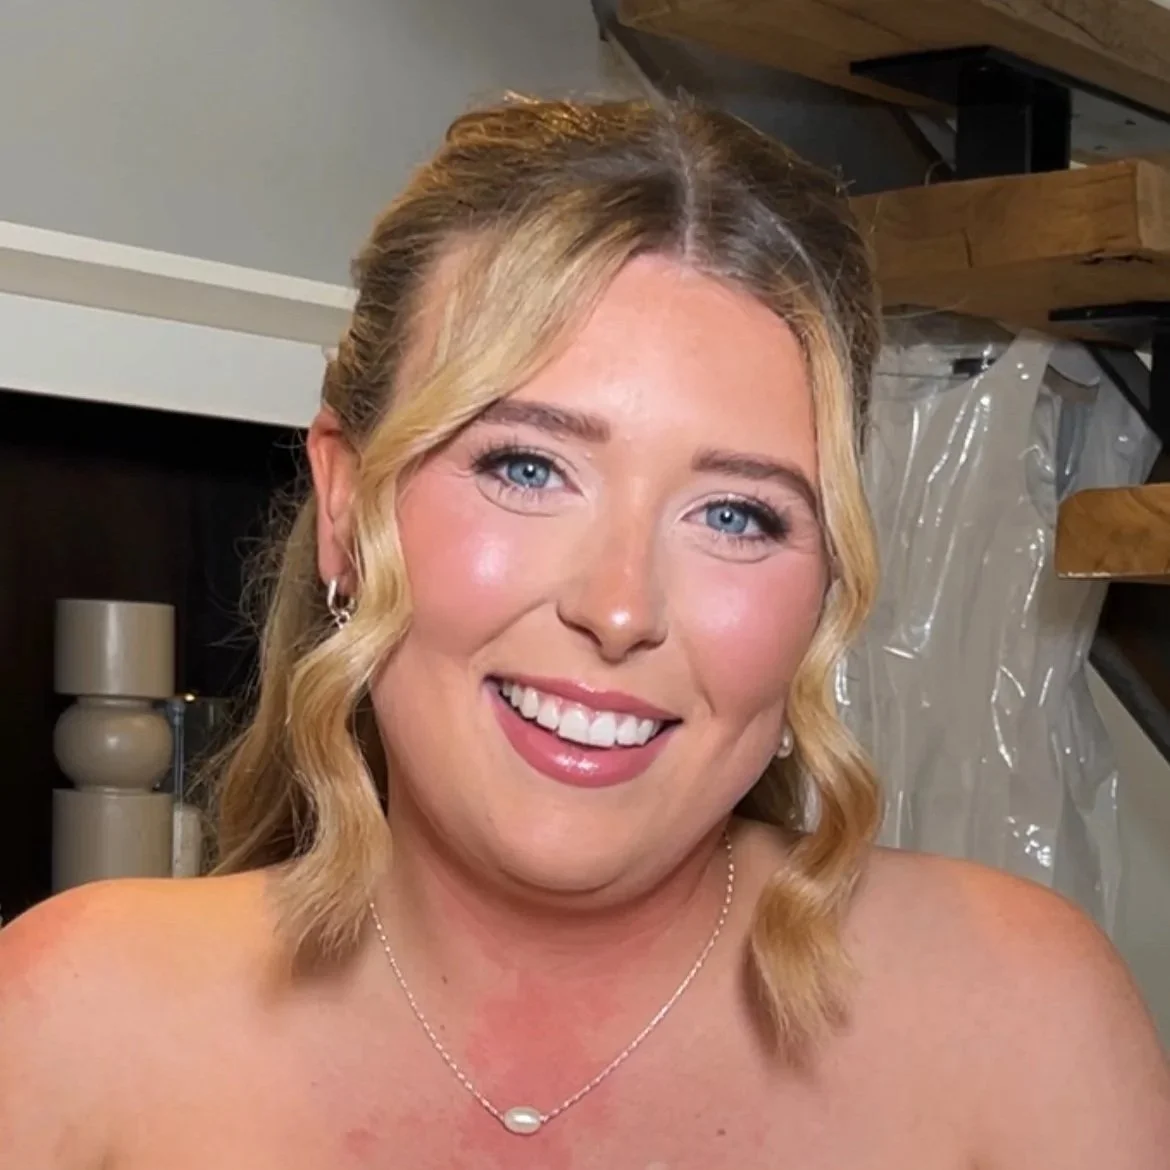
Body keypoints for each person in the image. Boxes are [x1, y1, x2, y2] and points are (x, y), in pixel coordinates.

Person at [1, 96, 1168, 1170]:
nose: (618, 608)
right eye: (527, 465)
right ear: (348, 507)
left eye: (734, 513)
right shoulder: (68, 1024)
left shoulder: (1021, 1022)